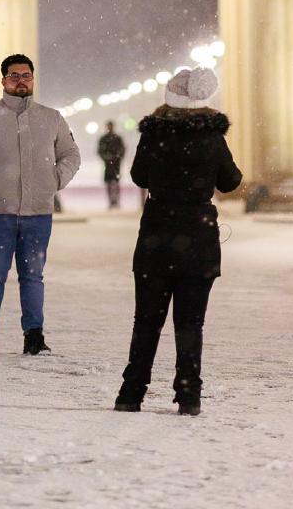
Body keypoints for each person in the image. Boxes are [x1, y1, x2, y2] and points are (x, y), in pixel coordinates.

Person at [114, 64, 242, 416]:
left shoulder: (154, 135)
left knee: (146, 321)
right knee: (190, 323)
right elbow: (231, 181)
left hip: (156, 237)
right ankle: (188, 395)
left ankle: (131, 392)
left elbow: (139, 176)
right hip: (198, 239)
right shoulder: (213, 137)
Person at [0, 52, 81, 356]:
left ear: (33, 79)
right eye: (14, 76)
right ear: (3, 81)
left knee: (33, 276)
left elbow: (71, 155)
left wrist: (55, 179)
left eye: (26, 75)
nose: (20, 81)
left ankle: (34, 335)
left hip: (38, 213)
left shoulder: (51, 118)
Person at [98, 120, 126, 208]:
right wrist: (108, 158)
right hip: (109, 164)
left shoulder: (116, 138)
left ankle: (115, 200)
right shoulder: (105, 138)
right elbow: (100, 151)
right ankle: (111, 201)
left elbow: (122, 150)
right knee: (110, 183)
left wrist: (115, 158)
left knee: (115, 183)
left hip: (115, 164)